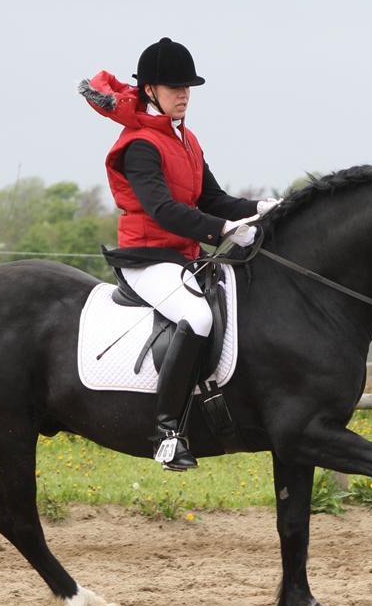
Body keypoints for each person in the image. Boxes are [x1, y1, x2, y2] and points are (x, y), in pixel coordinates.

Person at [80, 37, 279, 471]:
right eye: (175, 87)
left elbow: (213, 198)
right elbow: (164, 210)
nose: (184, 94)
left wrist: (261, 210)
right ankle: (167, 432)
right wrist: (224, 230)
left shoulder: (185, 139)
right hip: (146, 259)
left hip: (181, 258)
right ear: (149, 90)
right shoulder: (139, 144)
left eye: (188, 87)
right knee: (199, 317)